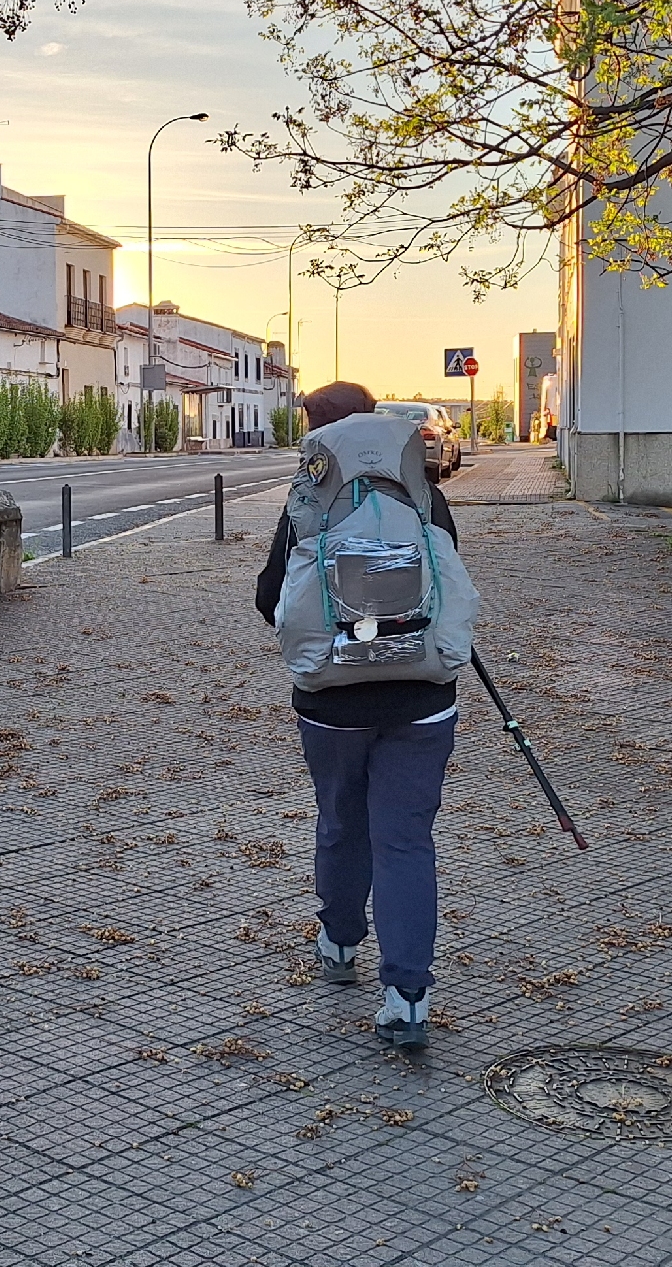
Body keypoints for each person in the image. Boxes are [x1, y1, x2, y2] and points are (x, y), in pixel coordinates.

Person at [255, 380, 474, 1047]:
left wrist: (349, 637)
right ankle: (408, 998)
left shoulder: (308, 503)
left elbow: (272, 599)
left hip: (330, 699)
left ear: (321, 434)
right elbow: (449, 581)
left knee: (340, 823)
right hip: (422, 698)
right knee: (406, 840)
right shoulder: (422, 494)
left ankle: (339, 944)